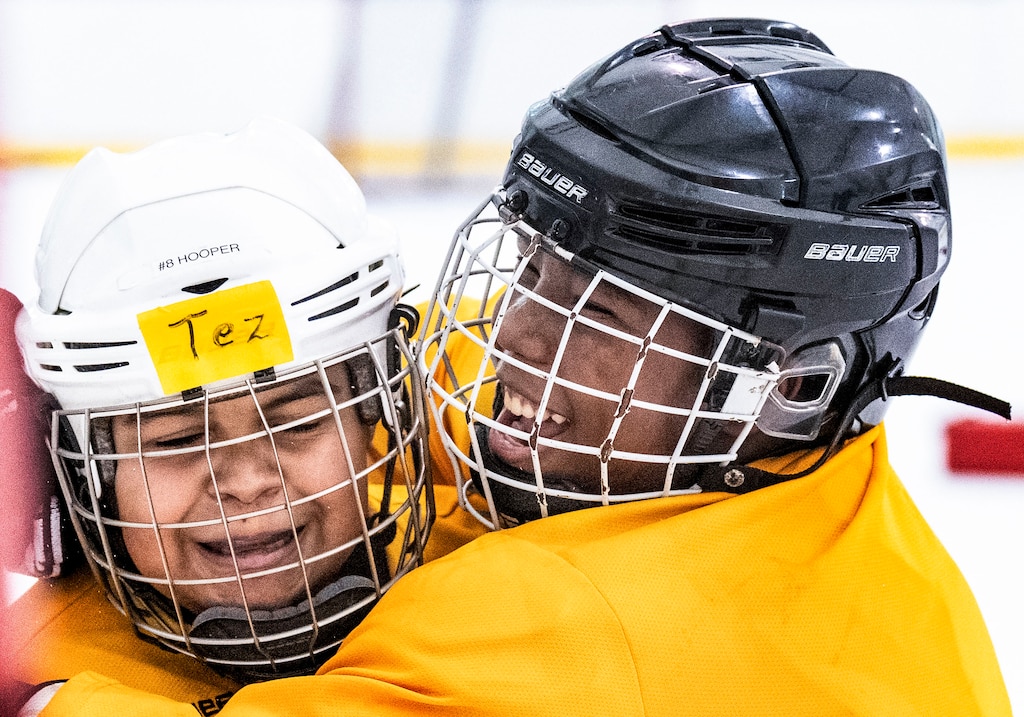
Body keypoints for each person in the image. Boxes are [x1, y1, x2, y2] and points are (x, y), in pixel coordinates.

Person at [13, 18, 1014, 716]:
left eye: (601, 315)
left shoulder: (574, 622)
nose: (516, 339)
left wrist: (43, 675)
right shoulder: (726, 457)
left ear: (787, 388)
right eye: (533, 272)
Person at [3, 117, 438, 713]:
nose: (247, 483)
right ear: (90, 474)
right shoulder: (41, 670)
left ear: (378, 407)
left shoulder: (499, 573)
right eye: (179, 439)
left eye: (294, 421)